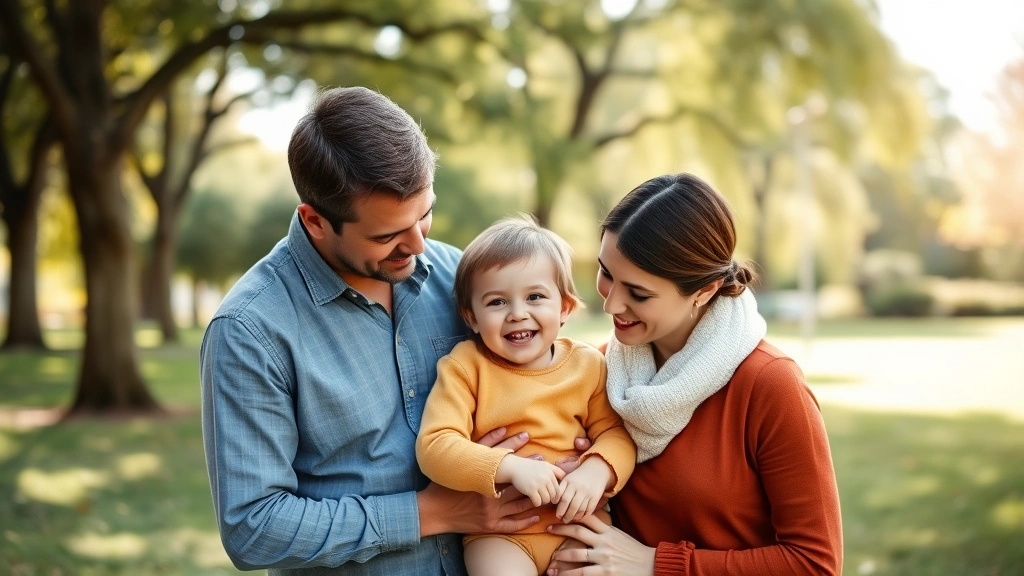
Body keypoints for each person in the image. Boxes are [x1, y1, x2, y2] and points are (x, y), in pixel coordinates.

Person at [200, 86, 566, 576]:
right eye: (386, 234)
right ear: (315, 221)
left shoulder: (461, 278)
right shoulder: (250, 332)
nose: (416, 245)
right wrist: (431, 513)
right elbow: (254, 528)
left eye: (425, 214)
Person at [546, 173, 843, 575]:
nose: (612, 304)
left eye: (638, 293)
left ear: (705, 290)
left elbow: (815, 564)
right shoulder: (598, 372)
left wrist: (655, 564)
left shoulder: (770, 385)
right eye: (606, 274)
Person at [416, 217, 637, 576]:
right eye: (497, 302)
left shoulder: (588, 365)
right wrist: (510, 466)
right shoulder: (465, 366)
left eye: (535, 297)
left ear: (564, 307)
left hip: (577, 525)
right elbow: (435, 447)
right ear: (471, 316)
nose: (518, 314)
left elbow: (617, 435)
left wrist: (597, 470)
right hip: (502, 534)